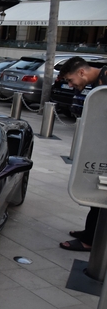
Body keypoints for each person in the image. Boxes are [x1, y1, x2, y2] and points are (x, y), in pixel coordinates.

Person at [58, 56, 107, 252]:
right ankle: (91, 233)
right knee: (96, 192)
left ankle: (91, 240)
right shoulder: (100, 81)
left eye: (70, 80)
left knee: (101, 194)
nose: (71, 85)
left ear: (81, 72)